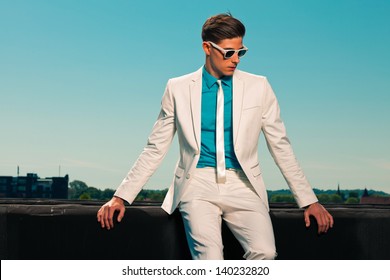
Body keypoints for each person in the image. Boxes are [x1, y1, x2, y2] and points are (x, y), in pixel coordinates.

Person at [97, 13, 334, 260]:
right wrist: (120, 196)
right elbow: (155, 147)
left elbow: (281, 146)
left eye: (240, 52)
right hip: (196, 183)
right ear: (207, 48)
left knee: (265, 252)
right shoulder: (177, 88)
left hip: (244, 184)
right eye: (228, 52)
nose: (235, 60)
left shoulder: (259, 87)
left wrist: (309, 200)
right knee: (209, 260)